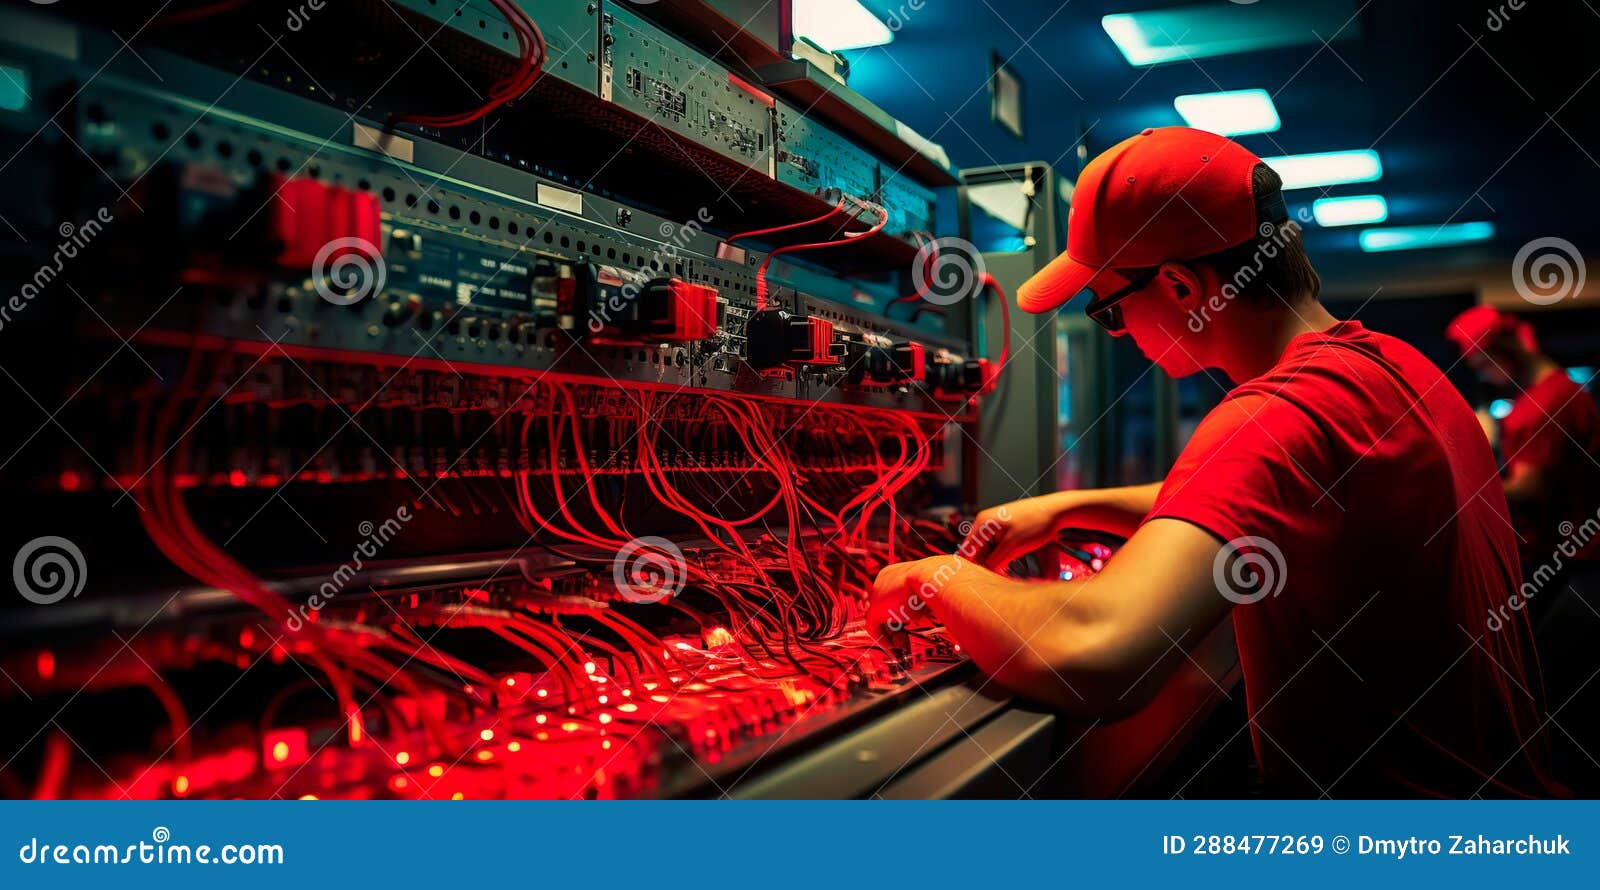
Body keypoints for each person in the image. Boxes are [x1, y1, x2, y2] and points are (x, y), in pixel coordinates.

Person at [870, 127, 1557, 798]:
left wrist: (939, 578)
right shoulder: (1394, 367)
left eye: (1109, 310)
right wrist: (1065, 507)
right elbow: (1280, 489)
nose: (1120, 331)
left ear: (1179, 288)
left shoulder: (1272, 415)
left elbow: (1100, 654)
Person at [1445, 305, 1600, 568]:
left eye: (1484, 365)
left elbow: (1530, 488)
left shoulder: (1542, 406)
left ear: (1506, 350)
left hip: (1563, 558)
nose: (1483, 376)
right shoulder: (1566, 389)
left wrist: (1461, 493)